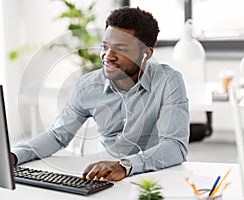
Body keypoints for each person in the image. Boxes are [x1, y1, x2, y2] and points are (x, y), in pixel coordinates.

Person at [11, 6, 189, 182]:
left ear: (146, 54)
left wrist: (125, 165)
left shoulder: (168, 81)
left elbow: (175, 146)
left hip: (154, 176)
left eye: (121, 49)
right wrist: (14, 156)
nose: (108, 56)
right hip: (103, 177)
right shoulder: (87, 86)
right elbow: (57, 135)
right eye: (105, 47)